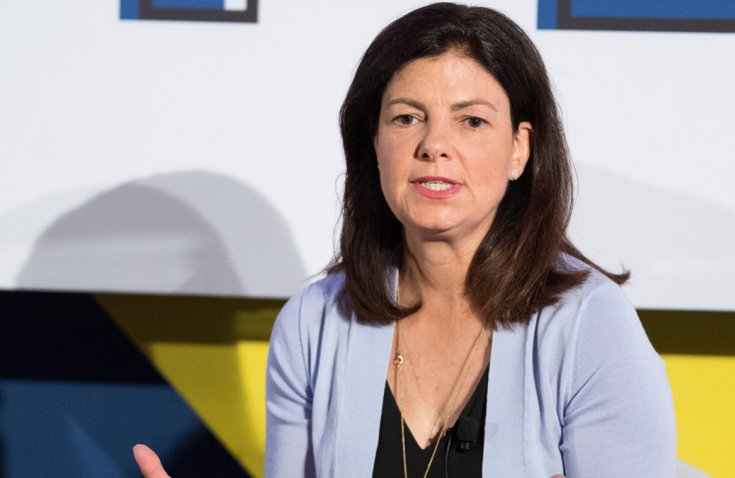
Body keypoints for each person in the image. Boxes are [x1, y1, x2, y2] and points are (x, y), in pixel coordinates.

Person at [135, 3, 676, 477]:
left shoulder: (590, 324)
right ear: (374, 142)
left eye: (471, 122)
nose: (434, 144)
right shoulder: (313, 324)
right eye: (407, 117)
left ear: (520, 149)